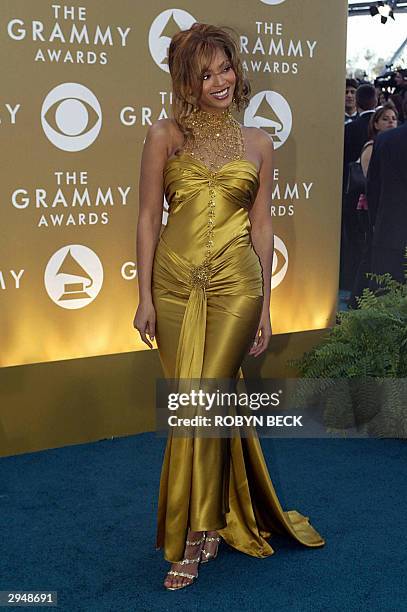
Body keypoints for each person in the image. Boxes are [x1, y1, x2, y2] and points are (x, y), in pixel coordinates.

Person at [133, 23, 325, 591]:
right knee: (193, 406)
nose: (219, 81)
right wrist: (142, 294)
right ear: (186, 82)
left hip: (236, 285)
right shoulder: (164, 135)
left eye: (225, 68)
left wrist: (265, 303)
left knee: (205, 399)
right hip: (171, 285)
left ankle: (194, 534)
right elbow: (148, 218)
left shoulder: (260, 142)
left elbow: (262, 226)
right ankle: (214, 518)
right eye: (205, 73)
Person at [349, 104, 399, 308]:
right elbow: (369, 180)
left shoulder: (391, 144)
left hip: (381, 209)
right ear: (376, 123)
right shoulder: (372, 146)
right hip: (368, 208)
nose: (391, 122)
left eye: (394, 118)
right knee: (369, 253)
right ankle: (357, 299)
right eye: (386, 118)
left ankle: (359, 299)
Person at [340, 83, 378, 291]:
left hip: (351, 194)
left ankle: (350, 284)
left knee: (353, 240)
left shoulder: (350, 128)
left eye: (352, 93)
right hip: (373, 198)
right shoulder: (382, 131)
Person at [366, 113, 407, 285]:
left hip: (389, 230)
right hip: (389, 230)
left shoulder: (385, 140)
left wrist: (376, 220)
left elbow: (373, 186)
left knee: (385, 297)